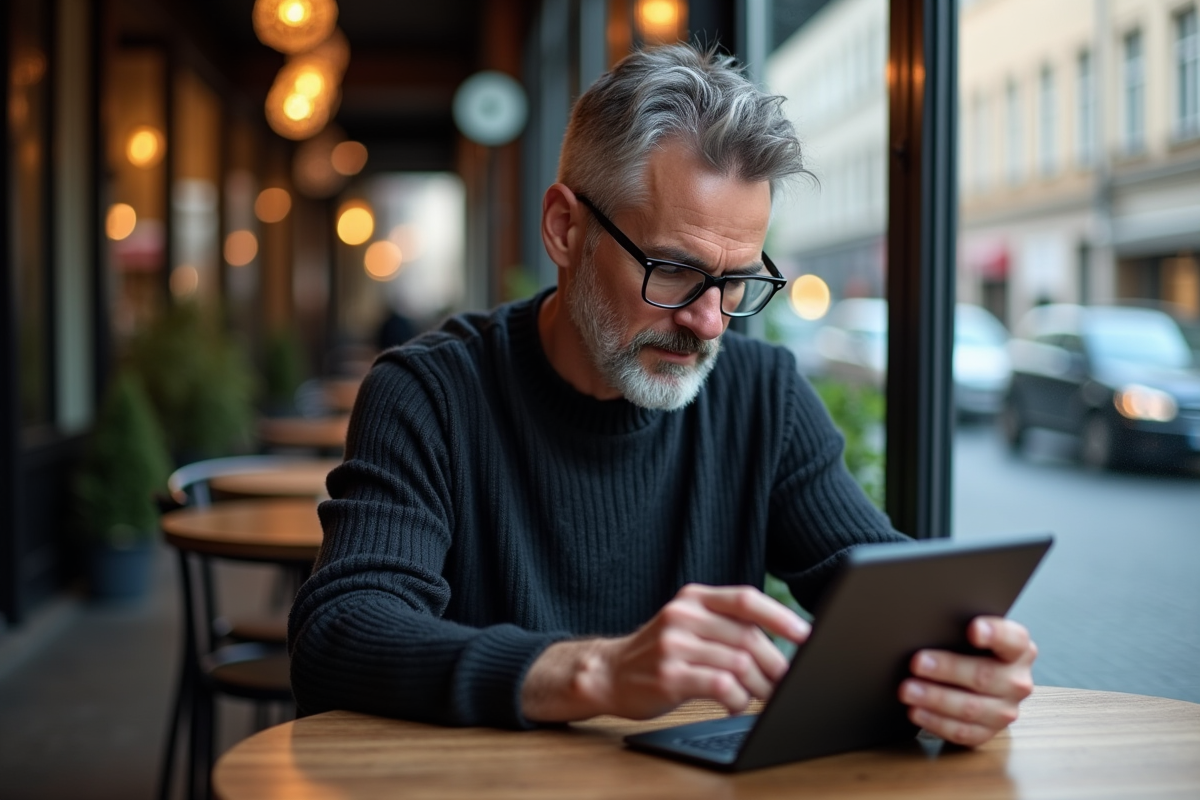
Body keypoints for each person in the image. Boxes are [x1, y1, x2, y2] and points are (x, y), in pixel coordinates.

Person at [289, 44, 1036, 747]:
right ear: (564, 228)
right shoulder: (431, 394)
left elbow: (875, 586)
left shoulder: (762, 398)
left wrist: (963, 659)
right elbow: (341, 632)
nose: (708, 322)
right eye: (673, 270)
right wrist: (596, 673)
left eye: (736, 281)